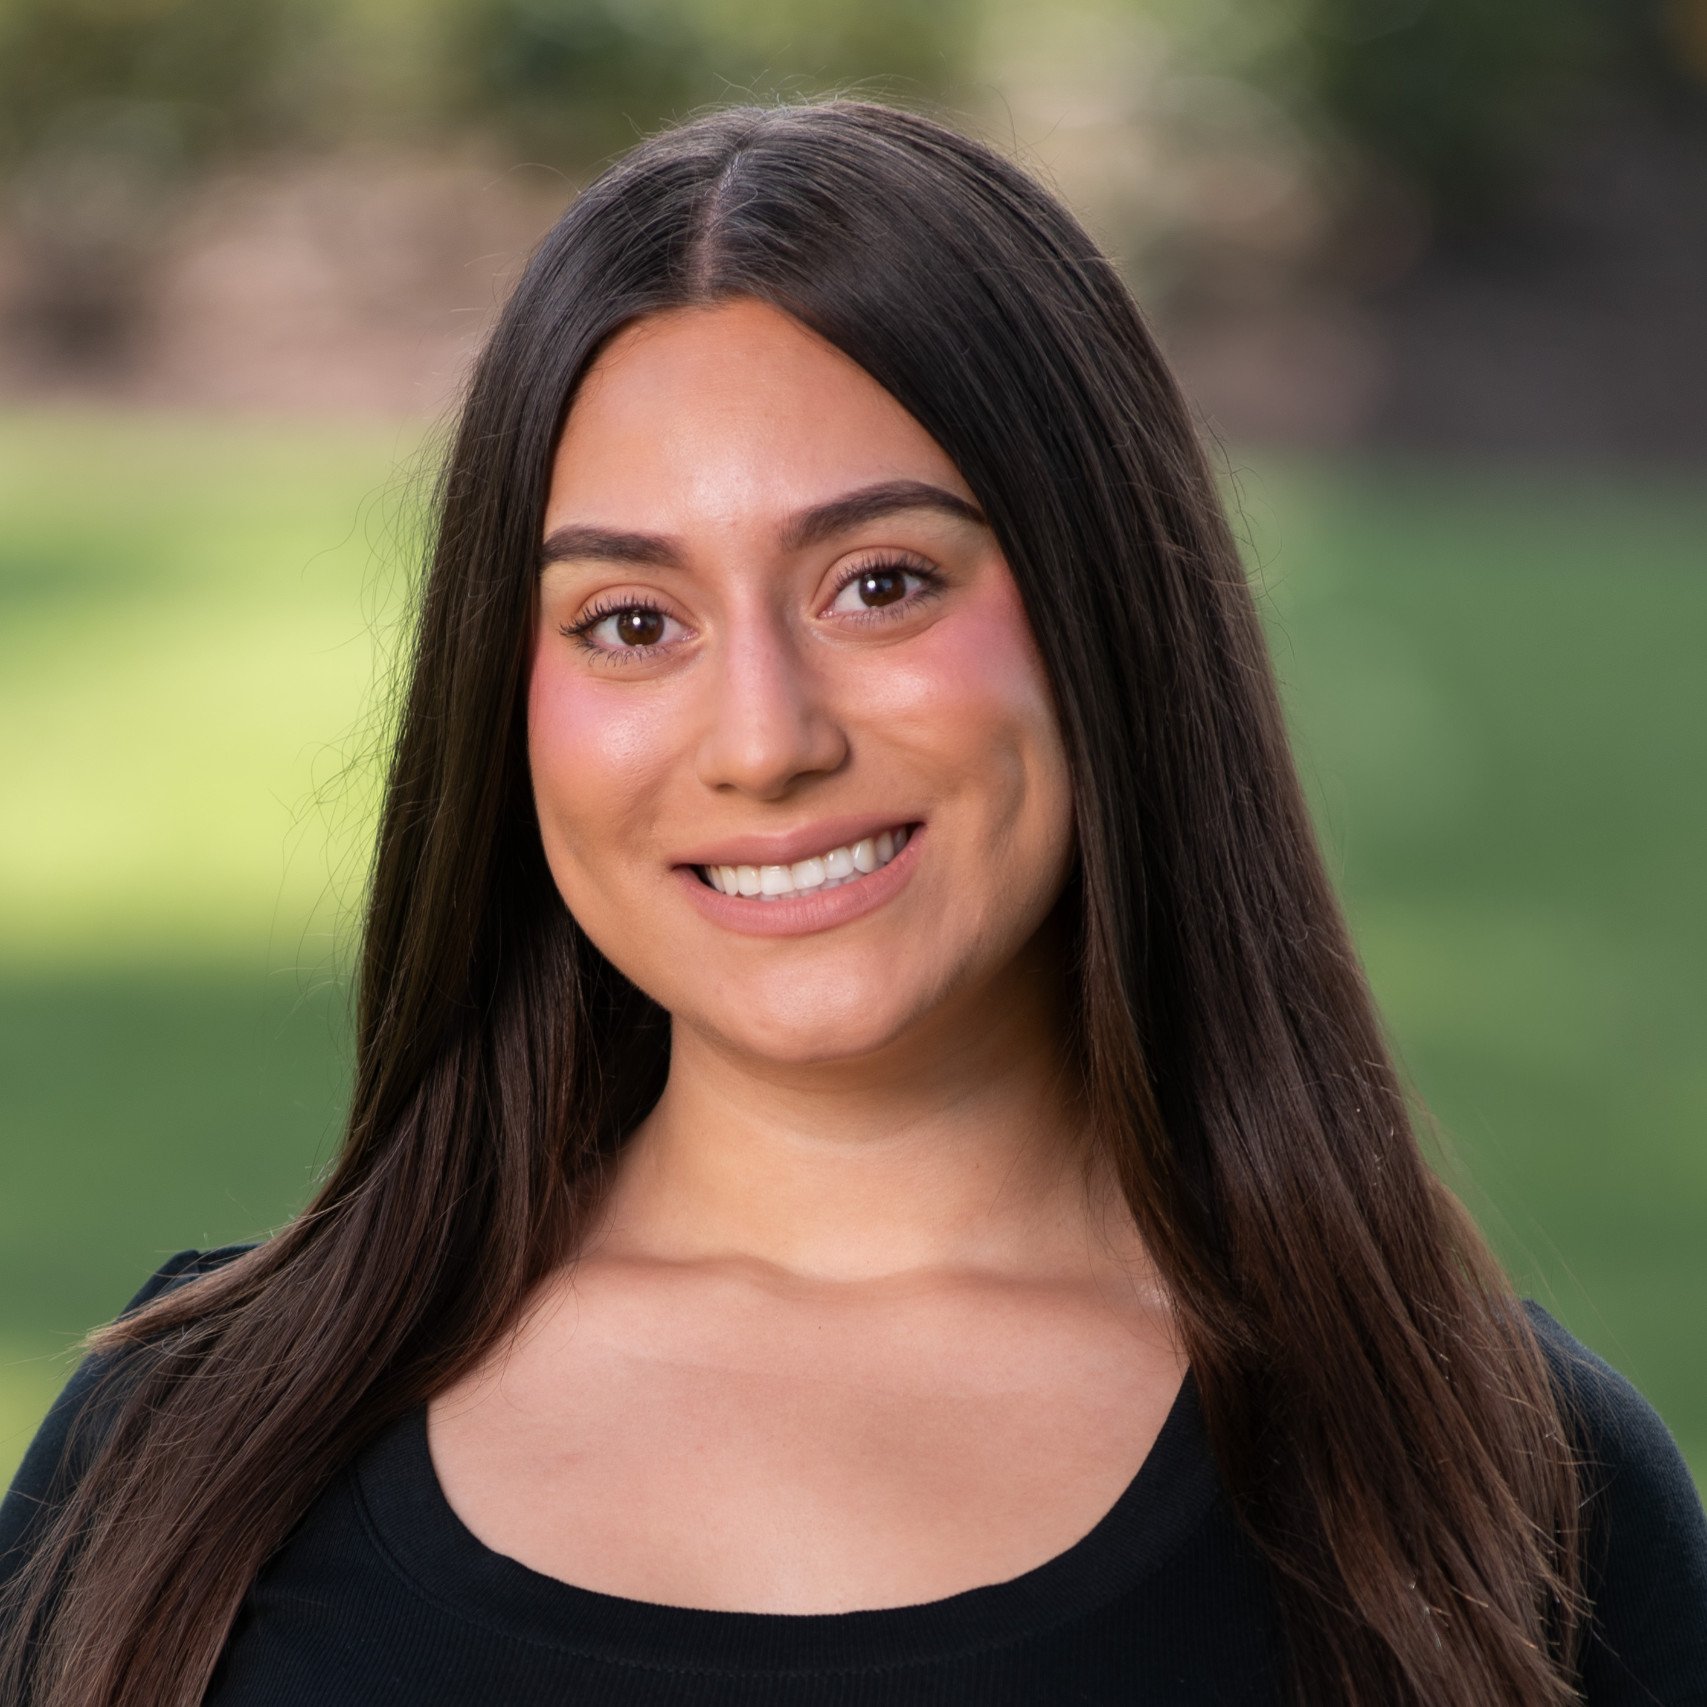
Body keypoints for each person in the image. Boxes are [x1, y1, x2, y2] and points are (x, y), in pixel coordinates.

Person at [2, 98, 1704, 1707]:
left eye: (881, 584)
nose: (763, 740)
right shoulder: (177, 1463)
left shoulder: (1501, 1495)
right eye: (629, 621)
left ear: (1106, 614)